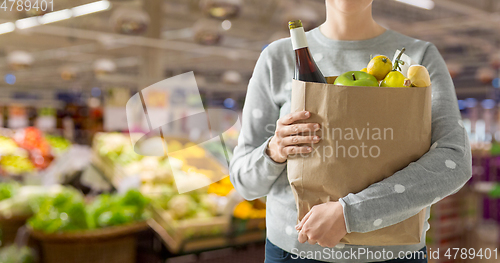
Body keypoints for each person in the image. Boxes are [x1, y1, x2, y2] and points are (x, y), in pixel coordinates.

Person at [229, 0, 472, 262]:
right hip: (293, 251)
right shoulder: (276, 58)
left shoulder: (418, 58)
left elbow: (454, 160)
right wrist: (275, 149)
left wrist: (351, 213)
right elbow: (244, 182)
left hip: (392, 254)